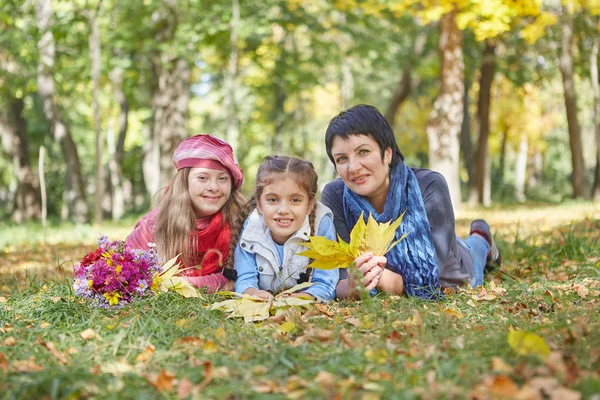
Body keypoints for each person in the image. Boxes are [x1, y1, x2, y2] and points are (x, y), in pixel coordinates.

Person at [321, 104, 501, 299]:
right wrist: (352, 285)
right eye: (341, 159)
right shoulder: (334, 195)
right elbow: (338, 280)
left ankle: (482, 236)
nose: (353, 167)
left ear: (387, 153)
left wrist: (383, 279)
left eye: (363, 151)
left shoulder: (429, 185)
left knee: (474, 250)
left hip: (454, 267)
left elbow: (432, 279)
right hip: (432, 250)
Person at [126, 134, 245, 292]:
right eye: (202, 178)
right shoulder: (155, 225)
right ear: (184, 182)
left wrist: (176, 283)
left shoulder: (240, 222)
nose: (214, 187)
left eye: (222, 179)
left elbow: (242, 275)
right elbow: (129, 272)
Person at [233, 155, 339, 301]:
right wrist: (252, 292)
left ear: (309, 205)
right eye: (272, 200)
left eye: (295, 200)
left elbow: (326, 281)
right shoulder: (253, 225)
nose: (283, 209)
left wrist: (306, 297)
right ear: (259, 204)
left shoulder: (321, 224)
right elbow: (244, 277)